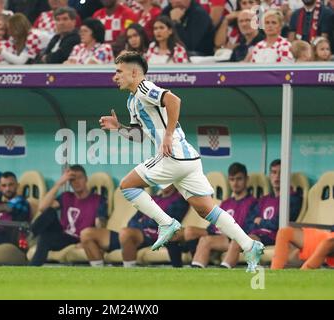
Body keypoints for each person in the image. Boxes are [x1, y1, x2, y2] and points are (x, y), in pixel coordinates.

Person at [99, 51, 265, 272]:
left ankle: (166, 223)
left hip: (173, 154)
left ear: (135, 72)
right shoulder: (132, 101)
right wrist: (118, 128)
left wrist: (167, 135)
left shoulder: (144, 87)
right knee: (206, 210)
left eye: (119, 71)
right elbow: (139, 136)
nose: (115, 76)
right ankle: (249, 245)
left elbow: (174, 100)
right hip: (188, 159)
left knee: (127, 186)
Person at [81, 185, 188, 267]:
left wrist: (144, 223)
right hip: (133, 235)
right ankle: (99, 273)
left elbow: (165, 221)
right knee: (86, 234)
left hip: (153, 236)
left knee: (126, 233)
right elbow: (134, 220)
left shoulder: (178, 200)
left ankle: (129, 272)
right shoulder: (153, 198)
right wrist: (139, 224)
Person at [221, 159, 302, 268]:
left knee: (239, 239)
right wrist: (260, 223)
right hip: (256, 235)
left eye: (281, 173)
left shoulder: (292, 198)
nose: (277, 176)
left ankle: (224, 269)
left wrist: (261, 221)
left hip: (274, 237)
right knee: (240, 238)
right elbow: (249, 222)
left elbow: (279, 223)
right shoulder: (264, 199)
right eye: (273, 172)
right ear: (270, 175)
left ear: (287, 175)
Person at [29, 165, 108, 266]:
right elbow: (42, 208)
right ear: (69, 182)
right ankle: (30, 235)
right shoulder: (66, 196)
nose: (77, 182)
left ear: (86, 179)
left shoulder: (98, 200)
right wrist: (59, 183)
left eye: (80, 178)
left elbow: (100, 224)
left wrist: (89, 242)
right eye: (73, 179)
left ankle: (30, 237)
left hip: (79, 238)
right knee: (50, 212)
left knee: (44, 237)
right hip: (64, 236)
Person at [188, 163, 257, 268]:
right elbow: (213, 225)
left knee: (234, 239)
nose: (235, 183)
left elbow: (250, 226)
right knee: (203, 239)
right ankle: (195, 272)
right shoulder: (226, 203)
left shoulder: (253, 202)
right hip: (221, 237)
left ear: (246, 179)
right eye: (232, 179)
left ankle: (224, 270)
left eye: (239, 179)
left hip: (238, 239)